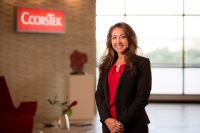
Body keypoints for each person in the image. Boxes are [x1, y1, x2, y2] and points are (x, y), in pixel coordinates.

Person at [95, 22, 152, 133]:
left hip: (133, 126)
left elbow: (142, 98)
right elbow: (99, 95)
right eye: (114, 38)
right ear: (110, 41)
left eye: (123, 37)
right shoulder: (105, 64)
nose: (118, 42)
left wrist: (119, 123)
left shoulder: (142, 63)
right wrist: (107, 120)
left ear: (130, 39)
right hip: (109, 126)